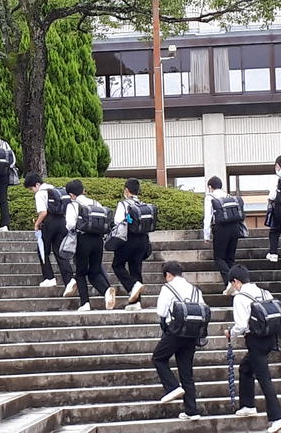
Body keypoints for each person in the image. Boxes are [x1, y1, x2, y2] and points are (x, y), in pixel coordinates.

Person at [226, 265, 281, 433]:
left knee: (264, 379)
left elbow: (241, 325)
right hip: (271, 337)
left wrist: (231, 333)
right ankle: (247, 405)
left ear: (236, 282)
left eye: (232, 284)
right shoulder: (265, 293)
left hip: (255, 340)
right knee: (245, 368)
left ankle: (277, 418)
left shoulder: (240, 297)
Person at [153, 261, 204, 421]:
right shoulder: (195, 289)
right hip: (192, 333)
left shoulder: (167, 288)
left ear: (168, 275)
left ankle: (172, 387)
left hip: (175, 331)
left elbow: (161, 311)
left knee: (158, 358)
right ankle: (192, 410)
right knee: (187, 372)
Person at [65, 179, 114, 312]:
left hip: (83, 239)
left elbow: (70, 225)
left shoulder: (73, 205)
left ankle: (85, 303)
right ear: (83, 190)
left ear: (71, 195)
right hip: (98, 240)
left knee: (80, 273)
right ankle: (106, 291)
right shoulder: (96, 203)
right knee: (95, 271)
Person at [24, 173, 76, 296]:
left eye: (31, 188)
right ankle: (69, 280)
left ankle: (49, 278)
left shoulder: (40, 193)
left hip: (49, 223)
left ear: (37, 184)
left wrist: (36, 224)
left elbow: (43, 212)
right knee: (59, 251)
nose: (32, 191)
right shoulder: (54, 188)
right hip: (62, 222)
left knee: (42, 250)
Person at [111, 178, 151, 311]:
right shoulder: (143, 205)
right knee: (136, 270)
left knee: (117, 265)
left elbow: (117, 221)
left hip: (128, 239)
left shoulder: (123, 204)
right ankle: (136, 302)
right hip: (143, 240)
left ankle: (132, 286)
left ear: (126, 190)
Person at [203, 175, 242, 295]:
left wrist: (206, 235)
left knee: (219, 258)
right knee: (230, 258)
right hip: (235, 228)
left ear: (210, 187)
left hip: (221, 228)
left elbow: (208, 217)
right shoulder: (229, 196)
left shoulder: (210, 197)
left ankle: (229, 282)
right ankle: (235, 285)